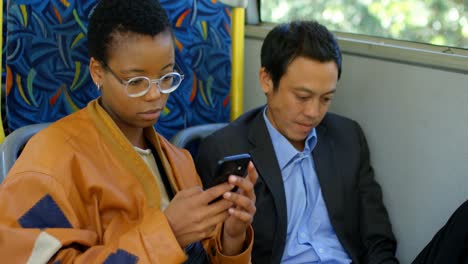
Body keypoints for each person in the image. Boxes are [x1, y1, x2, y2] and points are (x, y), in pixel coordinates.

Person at [0, 0, 257, 263]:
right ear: (98, 72)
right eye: (136, 82)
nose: (156, 94)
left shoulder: (179, 161)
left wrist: (231, 238)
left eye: (166, 77)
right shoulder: (49, 162)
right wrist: (168, 235)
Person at [196, 20, 397, 264]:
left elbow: (377, 240)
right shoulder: (225, 149)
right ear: (266, 80)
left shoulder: (348, 137)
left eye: (326, 99)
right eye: (302, 97)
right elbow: (216, 254)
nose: (313, 112)